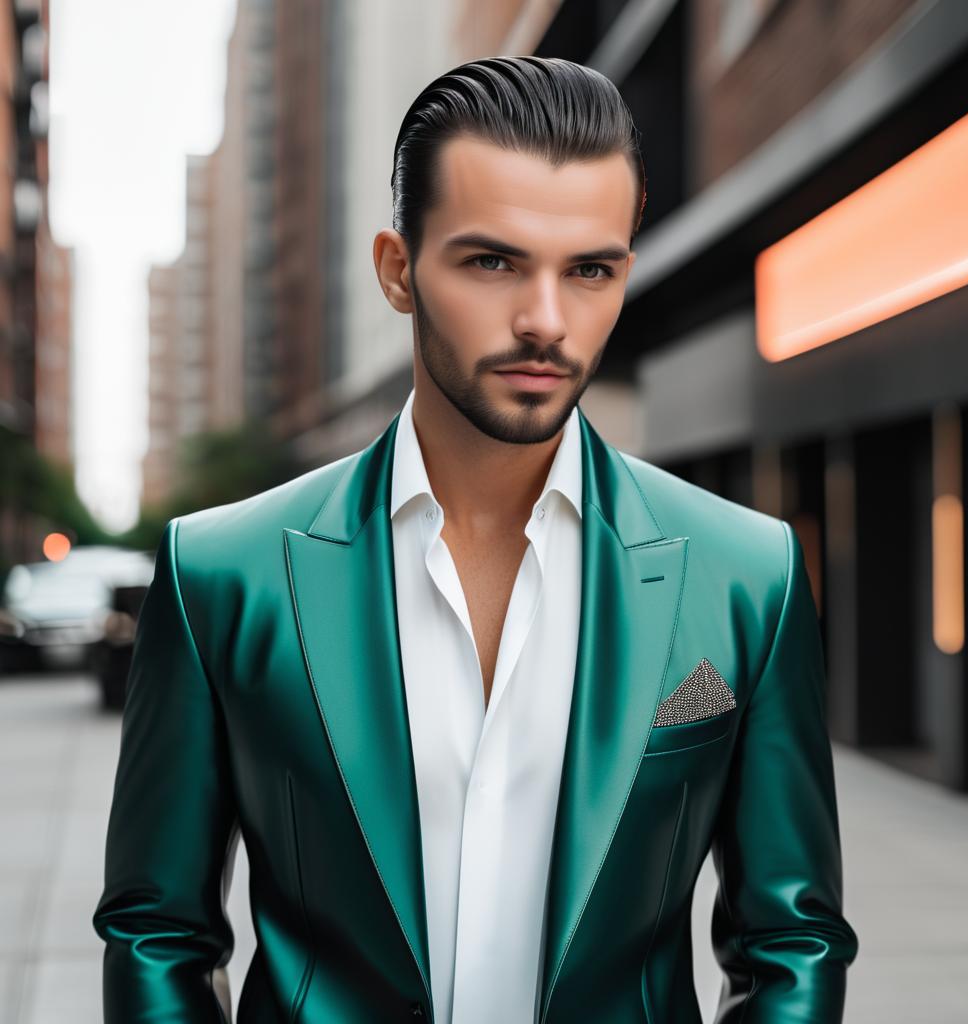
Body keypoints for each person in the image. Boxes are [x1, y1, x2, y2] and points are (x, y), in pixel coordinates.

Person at [93, 55, 858, 1023]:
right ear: (398, 270)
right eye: (492, 261)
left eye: (589, 269)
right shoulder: (223, 576)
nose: (546, 321)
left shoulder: (747, 575)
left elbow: (790, 939)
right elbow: (157, 931)